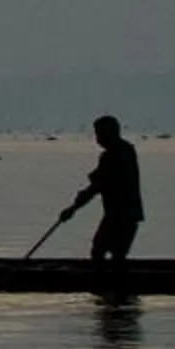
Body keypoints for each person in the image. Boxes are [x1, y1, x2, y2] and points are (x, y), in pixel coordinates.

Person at [54, 114, 143, 266]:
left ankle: (103, 284)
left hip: (121, 215)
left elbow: (97, 186)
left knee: (100, 250)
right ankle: (112, 284)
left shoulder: (115, 155)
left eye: (99, 133)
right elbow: (98, 184)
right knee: (114, 253)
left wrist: (73, 208)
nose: (97, 138)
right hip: (125, 214)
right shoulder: (124, 151)